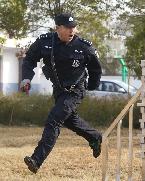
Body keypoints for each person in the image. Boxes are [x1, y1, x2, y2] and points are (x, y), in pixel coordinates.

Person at [20, 13, 102, 174]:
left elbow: (95, 68)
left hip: (74, 91)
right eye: (68, 28)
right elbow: (29, 59)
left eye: (74, 27)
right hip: (58, 90)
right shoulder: (44, 42)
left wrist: (91, 86)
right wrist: (26, 79)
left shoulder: (84, 46)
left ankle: (36, 159)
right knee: (69, 120)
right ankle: (95, 137)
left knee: (54, 120)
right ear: (58, 28)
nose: (72, 30)